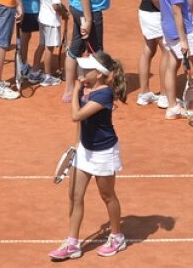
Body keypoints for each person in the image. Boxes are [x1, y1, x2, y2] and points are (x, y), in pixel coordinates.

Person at [47, 50, 128, 261]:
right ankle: (72, 244)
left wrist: (75, 90)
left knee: (107, 195)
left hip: (104, 152)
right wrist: (77, 144)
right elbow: (82, 123)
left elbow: (76, 115)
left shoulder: (104, 94)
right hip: (85, 149)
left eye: (87, 69)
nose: (82, 71)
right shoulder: (88, 88)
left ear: (99, 73)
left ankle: (117, 237)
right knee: (74, 196)